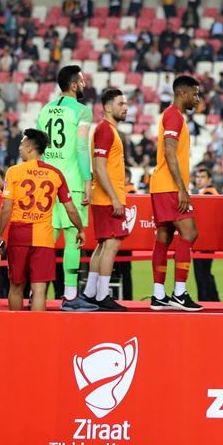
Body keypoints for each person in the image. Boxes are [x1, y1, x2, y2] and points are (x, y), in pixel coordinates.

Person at [0, 129, 85, 313]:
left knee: (16, 287)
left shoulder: (14, 172)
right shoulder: (55, 174)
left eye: (22, 144)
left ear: (30, 148)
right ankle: (36, 330)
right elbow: (70, 208)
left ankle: (15, 327)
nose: (19, 148)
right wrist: (80, 229)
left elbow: (6, 208)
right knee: (39, 290)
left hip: (19, 235)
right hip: (44, 238)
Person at [36, 65, 94, 311]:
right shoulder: (83, 111)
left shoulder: (44, 110)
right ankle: (70, 296)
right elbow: (81, 147)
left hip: (47, 182)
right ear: (73, 85)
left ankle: (35, 292)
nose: (84, 84)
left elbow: (38, 147)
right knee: (73, 239)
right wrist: (87, 180)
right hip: (71, 181)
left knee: (45, 240)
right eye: (81, 81)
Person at [149, 75, 202, 311]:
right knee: (189, 233)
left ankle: (158, 294)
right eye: (195, 94)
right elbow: (169, 152)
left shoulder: (171, 115)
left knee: (164, 237)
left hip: (160, 185)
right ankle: (179, 293)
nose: (197, 99)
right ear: (183, 93)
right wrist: (182, 188)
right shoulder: (174, 116)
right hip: (170, 186)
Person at [79, 89, 130, 311]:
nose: (125, 107)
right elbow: (99, 167)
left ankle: (91, 293)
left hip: (105, 196)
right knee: (112, 244)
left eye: (125, 103)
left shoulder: (108, 130)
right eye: (120, 103)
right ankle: (101, 295)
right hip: (108, 198)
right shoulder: (105, 130)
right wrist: (115, 198)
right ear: (108, 107)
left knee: (103, 245)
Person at [192, 167, 220, 302]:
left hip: (203, 239)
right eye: (197, 177)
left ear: (210, 179)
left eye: (202, 177)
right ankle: (213, 299)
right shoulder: (206, 192)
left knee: (201, 272)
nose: (199, 179)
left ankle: (205, 300)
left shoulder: (208, 194)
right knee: (205, 272)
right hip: (207, 238)